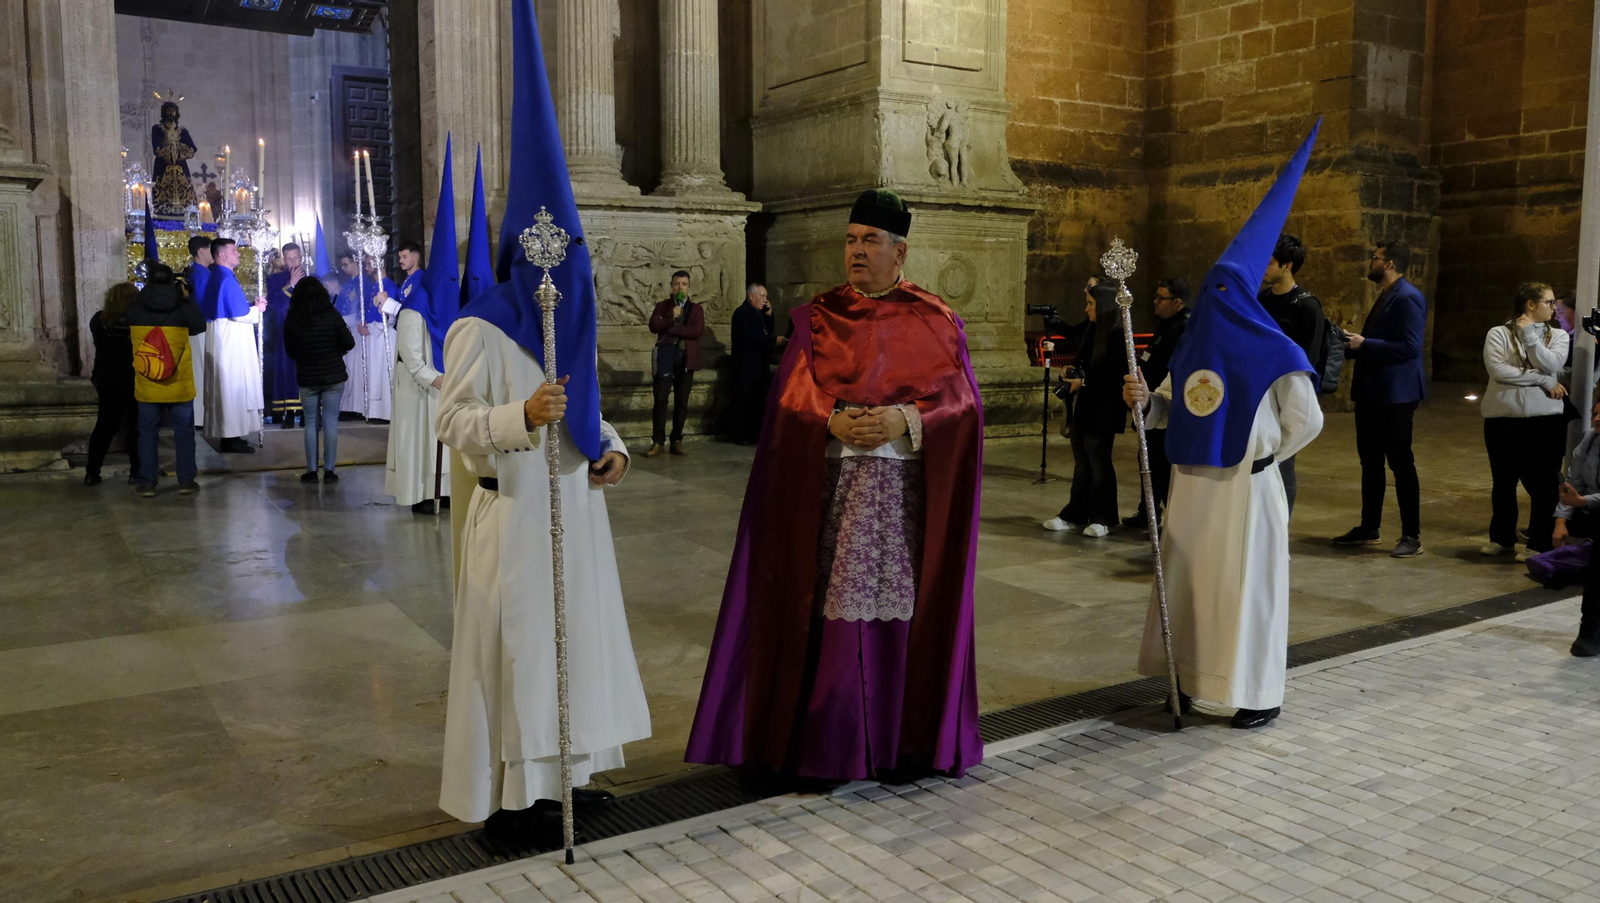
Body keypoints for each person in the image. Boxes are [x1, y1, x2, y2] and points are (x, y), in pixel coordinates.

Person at [686, 188, 985, 783]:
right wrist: (830, 418)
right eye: (851, 240)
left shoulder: (936, 317)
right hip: (834, 498)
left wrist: (906, 418)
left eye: (870, 241)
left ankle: (903, 740)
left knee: (899, 612)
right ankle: (828, 743)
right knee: (831, 614)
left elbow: (964, 404)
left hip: (903, 501)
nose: (856, 251)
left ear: (899, 251)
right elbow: (789, 400)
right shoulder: (819, 317)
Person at [437, 0, 648, 838]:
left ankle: (573, 776)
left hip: (578, 514)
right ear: (523, 253)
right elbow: (453, 422)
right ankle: (516, 795)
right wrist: (519, 416)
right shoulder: (478, 326)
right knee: (519, 656)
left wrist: (615, 452)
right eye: (549, 257)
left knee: (579, 649)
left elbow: (594, 409)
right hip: (515, 515)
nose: (562, 275)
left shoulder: (574, 322)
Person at [1123, 124, 1324, 731]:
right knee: (1190, 592)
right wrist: (1143, 403)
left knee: (1247, 594)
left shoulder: (1277, 350)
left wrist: (1263, 454)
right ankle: (1188, 684)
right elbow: (1166, 408)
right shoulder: (1191, 349)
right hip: (1191, 485)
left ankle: (1258, 691)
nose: (1214, 296)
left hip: (1246, 488)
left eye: (1224, 288)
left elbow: (1307, 420)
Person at [1336, 238, 1428, 559]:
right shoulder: (1387, 295)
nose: (1371, 262)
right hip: (1373, 394)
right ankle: (1369, 527)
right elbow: (1378, 342)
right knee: (1370, 462)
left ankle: (1411, 536)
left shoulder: (1408, 298)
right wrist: (1349, 345)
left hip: (1395, 396)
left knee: (1401, 464)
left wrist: (1365, 344)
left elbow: (1410, 348)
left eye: (1375, 258)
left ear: (1388, 264)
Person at [1479, 282, 1568, 558]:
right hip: (1502, 418)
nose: (1554, 308)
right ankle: (1502, 538)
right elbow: (1499, 370)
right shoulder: (1498, 333)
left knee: (1541, 483)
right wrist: (1542, 379)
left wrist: (1530, 336)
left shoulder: (1559, 336)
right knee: (1503, 481)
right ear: (1531, 304)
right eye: (1549, 302)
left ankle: (1539, 543)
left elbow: (1553, 364)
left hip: (1543, 420)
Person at [1042, 279, 1128, 538]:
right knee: (1082, 464)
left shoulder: (1116, 334)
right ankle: (1075, 514)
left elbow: (1118, 376)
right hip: (1084, 407)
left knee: (1099, 463)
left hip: (1103, 410)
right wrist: (1070, 370)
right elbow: (1084, 362)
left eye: (1090, 303)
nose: (1086, 309)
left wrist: (1085, 381)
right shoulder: (1093, 329)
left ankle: (1103, 518)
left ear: (1102, 306)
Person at [126, 263, 207, 496]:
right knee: (183, 433)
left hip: (148, 382)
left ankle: (147, 483)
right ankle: (186, 481)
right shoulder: (182, 309)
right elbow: (199, 326)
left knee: (147, 433)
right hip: (178, 383)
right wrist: (187, 298)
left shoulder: (136, 309)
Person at [1257, 233, 1325, 513]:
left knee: (1284, 461)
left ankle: (1280, 529)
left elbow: (1307, 361)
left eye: (1270, 262)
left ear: (1287, 266)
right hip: (1260, 391)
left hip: (1287, 394)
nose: (1264, 266)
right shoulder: (1262, 298)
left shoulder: (1307, 306)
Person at [386, 240, 452, 513]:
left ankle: (442, 492)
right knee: (418, 442)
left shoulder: (436, 304)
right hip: (418, 387)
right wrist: (431, 377)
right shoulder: (415, 304)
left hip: (435, 386)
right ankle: (422, 494)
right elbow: (411, 352)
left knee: (436, 443)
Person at [1122, 277, 1191, 531]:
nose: (1155, 301)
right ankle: (1147, 512)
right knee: (1147, 460)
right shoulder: (1165, 326)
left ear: (1178, 303)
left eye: (1161, 298)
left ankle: (1164, 515)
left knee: (1160, 465)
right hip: (1152, 402)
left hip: (1169, 413)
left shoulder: (1185, 330)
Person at [283, 277, 355, 483]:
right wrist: (336, 352)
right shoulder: (331, 314)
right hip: (333, 376)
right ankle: (330, 470)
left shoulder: (293, 318)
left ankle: (311, 471)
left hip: (307, 377)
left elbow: (290, 350)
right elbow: (349, 342)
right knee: (331, 422)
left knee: (311, 423)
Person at [200, 237, 267, 454]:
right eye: (233, 250)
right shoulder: (225, 278)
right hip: (231, 343)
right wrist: (258, 309)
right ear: (221, 255)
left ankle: (232, 435)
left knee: (228, 388)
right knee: (232, 387)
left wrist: (251, 308)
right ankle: (230, 436)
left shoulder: (219, 276)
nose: (238, 254)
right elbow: (239, 315)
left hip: (225, 337)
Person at [1553, 400, 1600, 656]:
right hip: (1593, 509)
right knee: (1595, 576)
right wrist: (1561, 521)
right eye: (1595, 413)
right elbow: (1573, 482)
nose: (1597, 419)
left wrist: (1582, 501)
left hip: (1592, 505)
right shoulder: (1591, 439)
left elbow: (1581, 496)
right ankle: (1589, 629)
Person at [84, 282, 140, 486]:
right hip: (133, 379)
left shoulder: (99, 320)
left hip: (108, 380)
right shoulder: (138, 322)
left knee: (104, 428)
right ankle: (136, 472)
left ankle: (92, 472)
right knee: (136, 428)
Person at [647, 269, 704, 457]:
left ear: (689, 288)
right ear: (671, 287)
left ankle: (677, 439)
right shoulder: (663, 306)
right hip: (665, 357)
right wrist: (672, 317)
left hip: (685, 359)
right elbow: (654, 326)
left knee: (682, 401)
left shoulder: (696, 309)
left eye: (684, 284)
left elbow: (696, 331)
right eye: (677, 284)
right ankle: (657, 441)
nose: (680, 287)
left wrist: (673, 329)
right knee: (661, 399)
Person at [336, 252, 397, 423]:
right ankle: (373, 410)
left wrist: (371, 328)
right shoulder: (374, 286)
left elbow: (388, 316)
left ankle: (385, 413)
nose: (367, 268)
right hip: (371, 334)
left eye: (370, 264)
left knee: (382, 374)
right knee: (372, 373)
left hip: (381, 335)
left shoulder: (388, 286)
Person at [727, 282, 785, 445]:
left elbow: (765, 331)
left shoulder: (758, 313)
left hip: (759, 366)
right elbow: (754, 338)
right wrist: (775, 341)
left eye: (766, 297)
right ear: (752, 296)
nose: (765, 300)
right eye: (763, 296)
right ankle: (740, 435)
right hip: (746, 366)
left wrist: (769, 315)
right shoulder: (742, 313)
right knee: (744, 402)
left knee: (757, 401)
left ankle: (754, 434)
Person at [262, 242, 306, 427]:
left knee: (306, 373)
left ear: (301, 257)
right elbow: (277, 304)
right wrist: (292, 285)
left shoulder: (312, 278)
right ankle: (288, 412)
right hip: (285, 333)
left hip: (307, 334)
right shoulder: (276, 280)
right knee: (287, 373)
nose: (293, 262)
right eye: (289, 258)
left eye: (296, 258)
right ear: (284, 259)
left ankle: (306, 413)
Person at [149, 101, 198, 217]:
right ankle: (161, 211)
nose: (171, 113)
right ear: (164, 112)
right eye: (168, 110)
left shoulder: (182, 131)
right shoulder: (157, 129)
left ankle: (187, 213)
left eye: (173, 110)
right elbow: (157, 149)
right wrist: (172, 149)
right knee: (161, 188)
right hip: (163, 166)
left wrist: (179, 148)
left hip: (180, 165)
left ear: (176, 113)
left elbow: (192, 149)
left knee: (185, 191)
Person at [185, 235, 212, 429]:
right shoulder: (199, 274)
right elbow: (203, 302)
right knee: (201, 371)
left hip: (202, 327)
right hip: (201, 328)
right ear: (201, 251)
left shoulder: (202, 272)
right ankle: (200, 418)